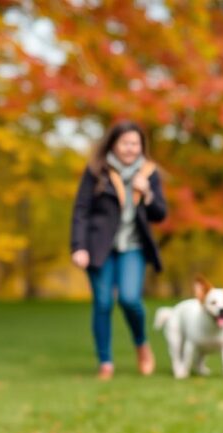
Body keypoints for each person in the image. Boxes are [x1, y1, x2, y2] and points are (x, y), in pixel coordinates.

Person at [70, 121, 167, 379]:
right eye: (125, 143)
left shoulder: (149, 173)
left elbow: (160, 214)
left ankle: (141, 345)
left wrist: (147, 193)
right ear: (113, 144)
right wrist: (79, 247)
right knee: (102, 303)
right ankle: (106, 362)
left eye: (135, 143)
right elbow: (81, 209)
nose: (130, 148)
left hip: (132, 246)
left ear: (141, 146)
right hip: (99, 247)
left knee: (130, 299)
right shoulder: (97, 171)